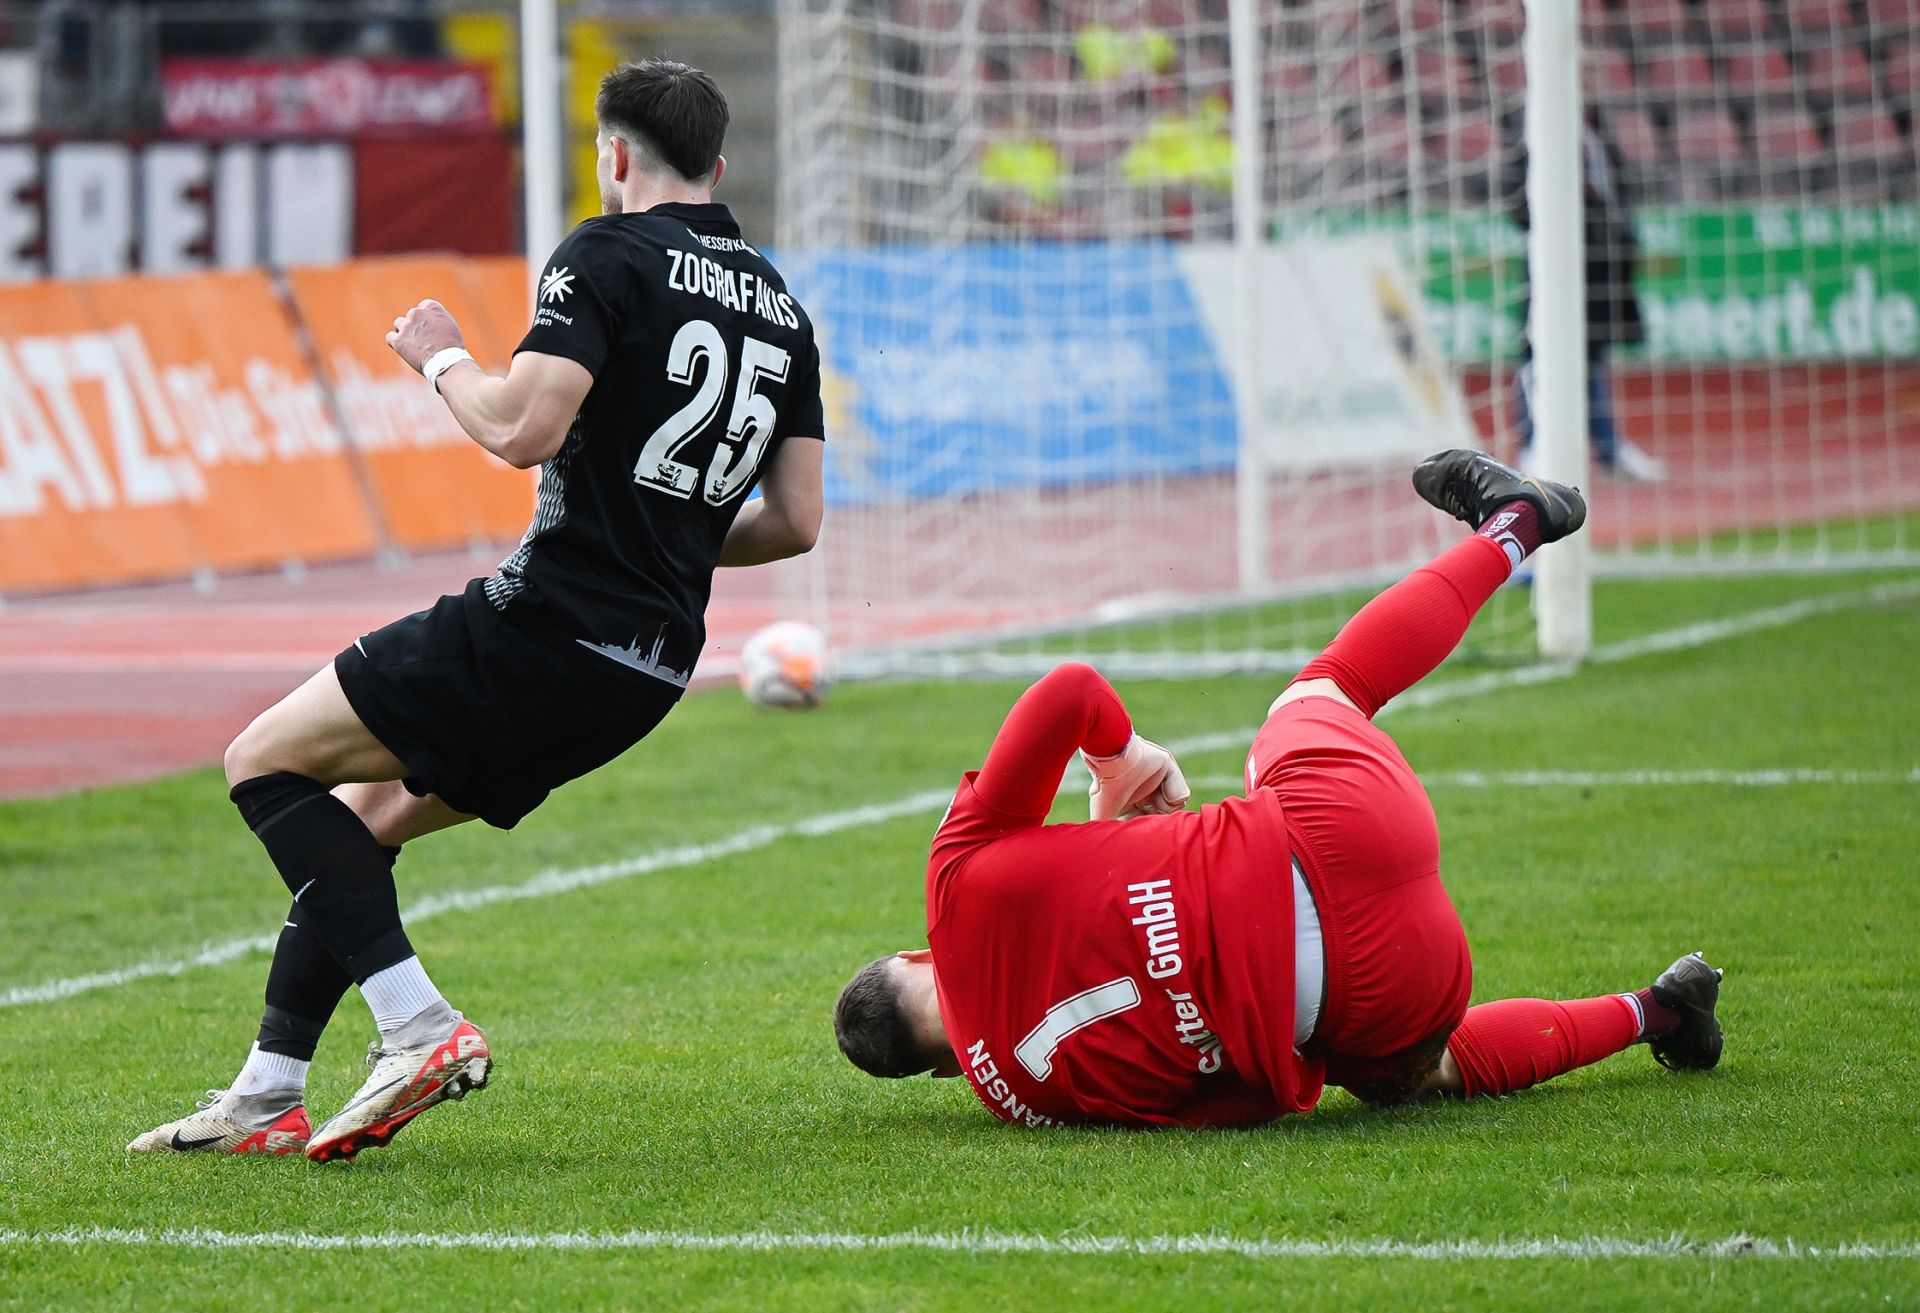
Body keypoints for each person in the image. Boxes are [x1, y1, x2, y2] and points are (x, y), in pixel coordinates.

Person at [131, 59, 826, 1161]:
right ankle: (266, 1094)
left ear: (614, 155)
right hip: (647, 671)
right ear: (719, 167)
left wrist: (441, 355)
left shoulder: (606, 251)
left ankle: (416, 1025)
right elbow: (794, 520)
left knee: (261, 760)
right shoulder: (784, 312)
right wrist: (674, 535)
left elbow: (520, 429)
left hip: (543, 624)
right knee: (366, 817)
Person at [834, 450, 1722, 1126]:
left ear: (944, 1069)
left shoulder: (1025, 1101)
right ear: (914, 954)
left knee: (1423, 1074)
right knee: (1320, 692)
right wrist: (1119, 759)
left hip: (1393, 988)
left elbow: (1237, 1100)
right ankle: (1515, 524)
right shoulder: (953, 885)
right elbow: (1069, 690)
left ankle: (1659, 1014)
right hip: (1346, 823)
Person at [1508, 114, 1668, 484]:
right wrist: (1556, 226)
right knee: (1537, 354)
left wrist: (1617, 235)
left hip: (1597, 264)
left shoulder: (1598, 133)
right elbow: (1516, 202)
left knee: (1590, 355)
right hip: (1551, 264)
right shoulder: (1534, 133)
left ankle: (1610, 448)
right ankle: (1533, 449)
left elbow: (1617, 189)